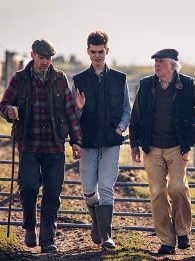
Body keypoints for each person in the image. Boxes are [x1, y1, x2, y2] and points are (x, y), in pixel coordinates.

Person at [129, 48, 195, 254]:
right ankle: (166, 240)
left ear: (172, 65)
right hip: (151, 148)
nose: (156, 65)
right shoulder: (146, 85)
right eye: (155, 61)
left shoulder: (187, 85)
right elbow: (136, 116)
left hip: (176, 148)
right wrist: (134, 145)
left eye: (161, 61)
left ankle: (182, 231)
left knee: (178, 188)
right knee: (157, 193)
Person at [0, 38, 83, 253]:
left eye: (48, 58)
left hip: (55, 145)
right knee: (28, 187)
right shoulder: (19, 79)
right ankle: (29, 226)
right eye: (42, 57)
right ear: (32, 55)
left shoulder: (60, 78)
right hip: (28, 144)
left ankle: (48, 240)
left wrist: (76, 141)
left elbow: (70, 112)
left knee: (52, 194)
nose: (45, 62)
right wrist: (9, 111)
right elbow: (3, 104)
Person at [71, 31, 131, 249]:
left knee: (106, 187)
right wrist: (78, 109)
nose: (97, 55)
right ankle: (96, 221)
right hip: (87, 143)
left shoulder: (119, 79)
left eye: (101, 51)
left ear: (107, 50)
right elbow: (72, 117)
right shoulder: (78, 80)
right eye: (93, 52)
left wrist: (120, 128)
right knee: (89, 190)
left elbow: (126, 110)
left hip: (111, 142)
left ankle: (106, 235)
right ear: (88, 51)